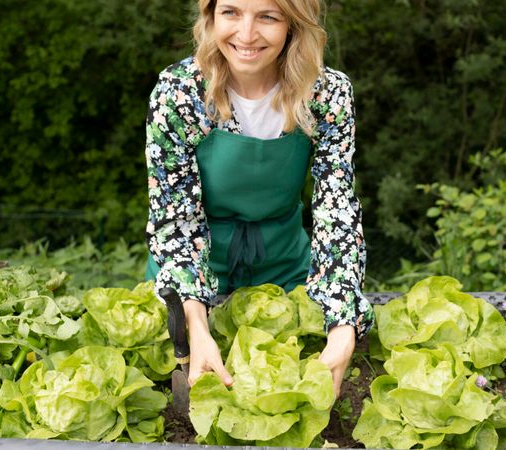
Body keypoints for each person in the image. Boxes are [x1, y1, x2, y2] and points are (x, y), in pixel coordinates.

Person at [144, 0, 373, 397]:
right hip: (190, 274)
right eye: (231, 12)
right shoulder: (180, 91)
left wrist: (342, 326)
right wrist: (195, 325)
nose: (246, 35)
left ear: (293, 24)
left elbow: (336, 209)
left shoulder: (326, 93)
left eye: (267, 16)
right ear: (210, 16)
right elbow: (175, 221)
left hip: (285, 272)